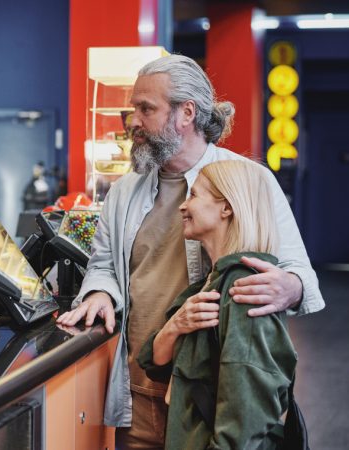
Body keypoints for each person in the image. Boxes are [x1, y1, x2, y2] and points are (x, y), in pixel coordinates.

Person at [56, 54, 324, 448]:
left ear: (186, 112)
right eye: (133, 109)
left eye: (146, 109)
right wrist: (99, 290)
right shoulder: (124, 191)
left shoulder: (248, 181)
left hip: (211, 398)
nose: (133, 122)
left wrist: (291, 286)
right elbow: (103, 265)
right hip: (140, 390)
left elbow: (301, 273)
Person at [137, 159, 297, 448]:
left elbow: (246, 419)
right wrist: (174, 327)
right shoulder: (210, 283)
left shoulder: (244, 286)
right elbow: (154, 362)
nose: (183, 206)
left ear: (226, 208)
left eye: (195, 195)